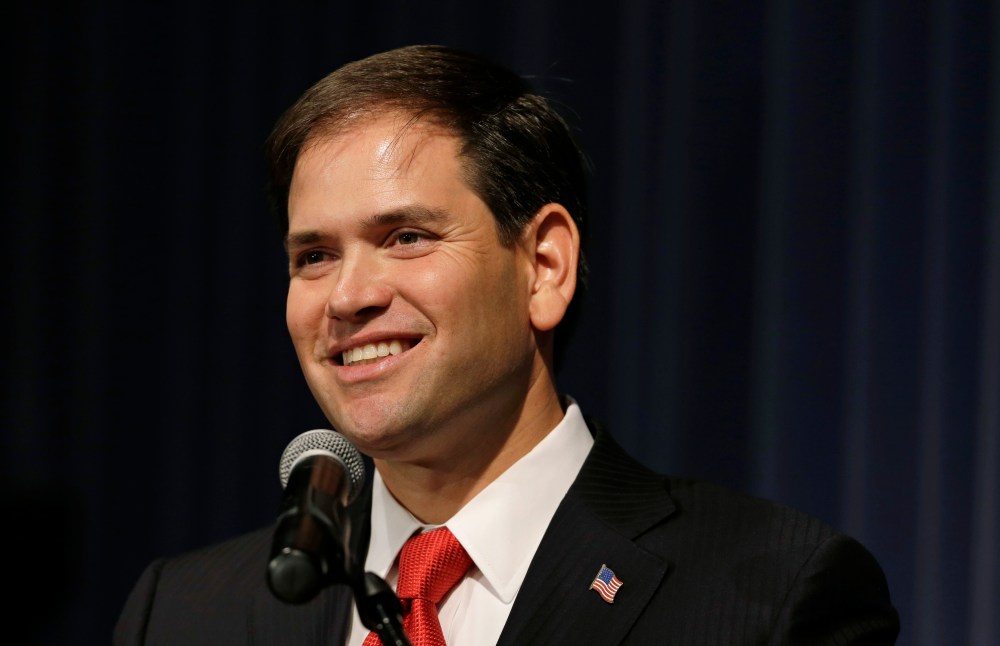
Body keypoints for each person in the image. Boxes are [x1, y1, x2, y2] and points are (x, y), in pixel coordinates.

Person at [114, 44, 899, 645]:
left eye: (407, 236)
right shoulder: (184, 614)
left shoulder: (769, 596)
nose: (348, 297)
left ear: (544, 267)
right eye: (313, 256)